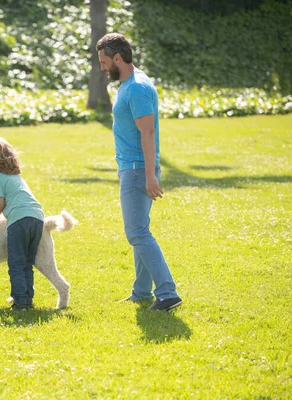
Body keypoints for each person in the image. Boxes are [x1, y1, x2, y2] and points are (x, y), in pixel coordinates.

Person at [96, 33, 182, 311]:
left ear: (118, 58)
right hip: (131, 167)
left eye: (104, 61)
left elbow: (148, 132)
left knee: (136, 233)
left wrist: (149, 175)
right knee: (140, 230)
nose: (101, 67)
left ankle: (167, 293)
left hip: (137, 169)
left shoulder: (137, 89)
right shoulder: (130, 83)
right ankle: (142, 292)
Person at [0, 136, 44, 311]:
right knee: (27, 263)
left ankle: (20, 303)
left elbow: (0, 202)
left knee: (16, 263)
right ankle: (27, 300)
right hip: (37, 218)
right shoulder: (15, 176)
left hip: (19, 220)